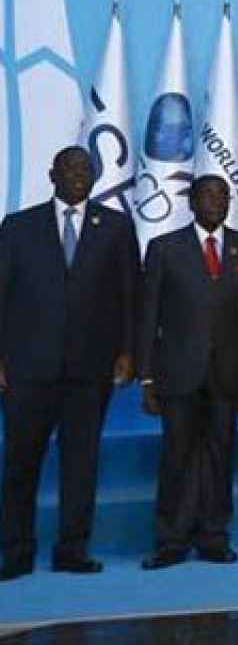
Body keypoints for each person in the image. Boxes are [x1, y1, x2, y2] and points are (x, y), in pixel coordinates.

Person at [0, 146, 138, 580]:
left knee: (82, 463)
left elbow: (130, 294)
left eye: (85, 168)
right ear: (51, 173)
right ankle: (15, 551)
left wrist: (128, 351)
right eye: (70, 167)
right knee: (22, 463)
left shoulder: (115, 226)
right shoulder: (18, 226)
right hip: (28, 368)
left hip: (89, 368)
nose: (79, 174)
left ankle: (72, 550)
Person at [136, 176, 238, 569]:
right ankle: (171, 540)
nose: (216, 202)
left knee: (220, 456)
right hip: (178, 372)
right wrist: (146, 376)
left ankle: (213, 536)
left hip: (228, 373)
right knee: (177, 456)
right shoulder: (164, 248)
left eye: (223, 196)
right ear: (191, 202)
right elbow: (147, 317)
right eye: (208, 195)